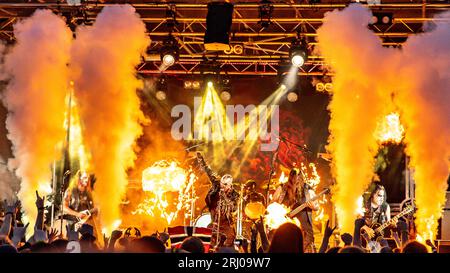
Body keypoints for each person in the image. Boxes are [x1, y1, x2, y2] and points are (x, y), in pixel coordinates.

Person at [196, 152, 240, 248]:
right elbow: (209, 172)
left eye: (225, 185)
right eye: (221, 183)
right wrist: (201, 161)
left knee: (228, 242)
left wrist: (224, 197)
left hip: (226, 225)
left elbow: (233, 208)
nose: (222, 186)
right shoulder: (217, 185)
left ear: (230, 185)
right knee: (209, 242)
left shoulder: (235, 195)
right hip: (214, 223)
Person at [272, 168, 319, 253]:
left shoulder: (308, 189)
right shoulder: (282, 188)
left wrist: (313, 206)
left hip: (304, 229)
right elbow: (272, 204)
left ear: (300, 179)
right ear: (290, 177)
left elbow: (317, 207)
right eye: (293, 178)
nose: (295, 182)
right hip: (285, 227)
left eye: (297, 179)